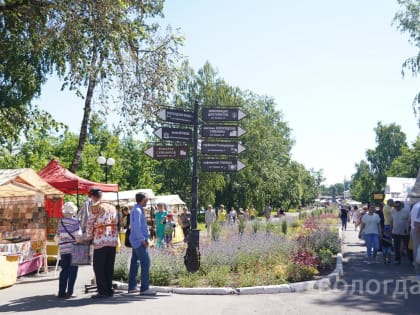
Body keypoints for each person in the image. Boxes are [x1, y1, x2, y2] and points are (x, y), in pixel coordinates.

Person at [86, 188, 119, 298]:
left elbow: (90, 222)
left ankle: (102, 291)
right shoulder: (112, 206)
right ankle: (109, 289)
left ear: (93, 197)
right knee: (109, 266)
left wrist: (88, 236)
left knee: (98, 266)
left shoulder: (96, 206)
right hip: (113, 239)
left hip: (101, 238)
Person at [128, 193, 156, 295]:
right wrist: (143, 240)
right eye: (146, 199)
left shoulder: (136, 209)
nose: (147, 201)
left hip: (135, 241)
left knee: (134, 263)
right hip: (139, 241)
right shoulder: (138, 210)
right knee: (146, 263)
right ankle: (144, 288)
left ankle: (132, 287)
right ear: (142, 200)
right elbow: (136, 227)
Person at [56, 202, 82, 298]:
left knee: (64, 270)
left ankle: (61, 292)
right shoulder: (75, 222)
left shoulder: (60, 222)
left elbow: (58, 235)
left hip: (63, 249)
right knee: (73, 270)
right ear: (73, 212)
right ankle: (70, 292)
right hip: (73, 249)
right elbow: (78, 237)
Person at [390, 200, 410, 264]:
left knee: (407, 246)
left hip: (404, 231)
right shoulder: (392, 211)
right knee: (396, 246)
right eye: (395, 206)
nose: (396, 207)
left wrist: (407, 230)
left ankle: (411, 259)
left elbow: (408, 221)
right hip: (395, 231)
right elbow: (391, 221)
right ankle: (397, 259)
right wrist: (391, 229)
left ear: (401, 206)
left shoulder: (406, 211)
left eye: (398, 206)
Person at [409, 196, 420, 280]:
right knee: (417, 251)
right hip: (417, 230)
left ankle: (417, 272)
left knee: (416, 250)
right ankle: (418, 273)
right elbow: (417, 223)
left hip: (414, 230)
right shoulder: (418, 207)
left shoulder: (416, 206)